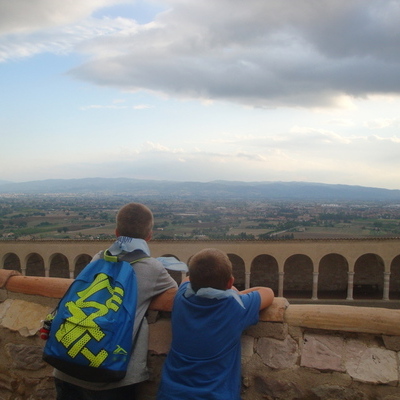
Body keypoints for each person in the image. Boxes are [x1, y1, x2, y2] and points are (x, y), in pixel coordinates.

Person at [54, 202, 178, 400]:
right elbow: (176, 295)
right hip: (109, 377)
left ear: (116, 232)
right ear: (149, 236)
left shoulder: (98, 258)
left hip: (66, 365)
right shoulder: (153, 269)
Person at [157, 248, 275, 400]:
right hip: (216, 395)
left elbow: (186, 280)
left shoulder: (181, 297)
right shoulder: (235, 307)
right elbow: (268, 293)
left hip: (170, 394)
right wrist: (234, 293)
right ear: (230, 282)